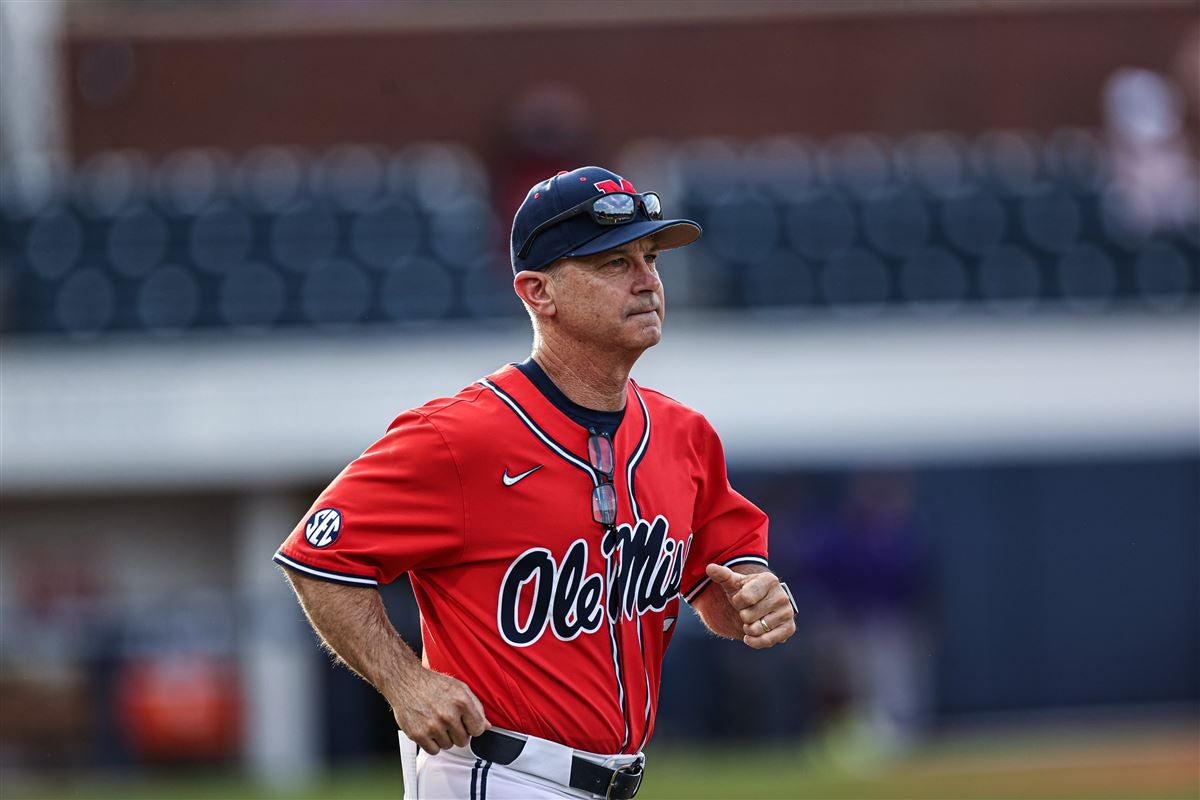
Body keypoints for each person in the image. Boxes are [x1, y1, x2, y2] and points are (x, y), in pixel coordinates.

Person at [273, 166, 798, 800]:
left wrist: (755, 600)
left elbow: (720, 581)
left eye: (650, 257)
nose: (648, 281)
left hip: (613, 781)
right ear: (538, 292)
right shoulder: (459, 436)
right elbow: (316, 558)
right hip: (494, 773)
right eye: (613, 264)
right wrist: (405, 682)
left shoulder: (682, 433)